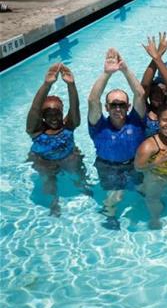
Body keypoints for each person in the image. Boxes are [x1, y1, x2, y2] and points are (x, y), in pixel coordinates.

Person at [88, 48, 146, 230]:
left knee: (144, 190)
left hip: (133, 165)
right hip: (108, 167)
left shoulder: (136, 122)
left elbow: (141, 94)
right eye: (114, 104)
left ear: (128, 106)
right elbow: (92, 100)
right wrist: (106, 73)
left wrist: (125, 69)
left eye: (122, 104)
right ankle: (109, 216)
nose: (118, 108)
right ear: (107, 107)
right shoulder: (99, 125)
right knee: (116, 197)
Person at [26, 63, 89, 216]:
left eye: (57, 114)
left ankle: (82, 185)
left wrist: (71, 85)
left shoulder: (69, 125)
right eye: (49, 115)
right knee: (48, 180)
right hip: (44, 159)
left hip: (67, 156)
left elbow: (75, 106)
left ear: (62, 113)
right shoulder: (35, 130)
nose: (54, 118)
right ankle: (54, 202)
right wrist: (47, 84)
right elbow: (35, 108)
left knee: (76, 163)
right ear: (42, 116)